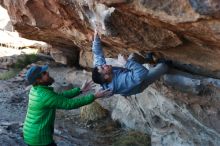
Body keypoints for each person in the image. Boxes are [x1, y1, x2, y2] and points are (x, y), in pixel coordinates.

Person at [23, 65, 111, 146]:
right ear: (39, 80)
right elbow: (69, 104)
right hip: (39, 137)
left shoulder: (35, 90)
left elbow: (59, 98)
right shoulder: (45, 95)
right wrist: (94, 96)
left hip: (31, 133)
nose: (48, 72)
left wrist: (80, 90)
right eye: (44, 73)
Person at [92, 30, 170, 96]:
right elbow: (142, 72)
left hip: (128, 74)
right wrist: (126, 63)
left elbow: (98, 55)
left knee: (133, 56)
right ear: (106, 76)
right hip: (138, 84)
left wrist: (96, 39)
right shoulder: (121, 82)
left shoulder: (101, 71)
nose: (104, 65)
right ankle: (167, 66)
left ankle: (149, 60)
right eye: (103, 68)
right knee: (162, 66)